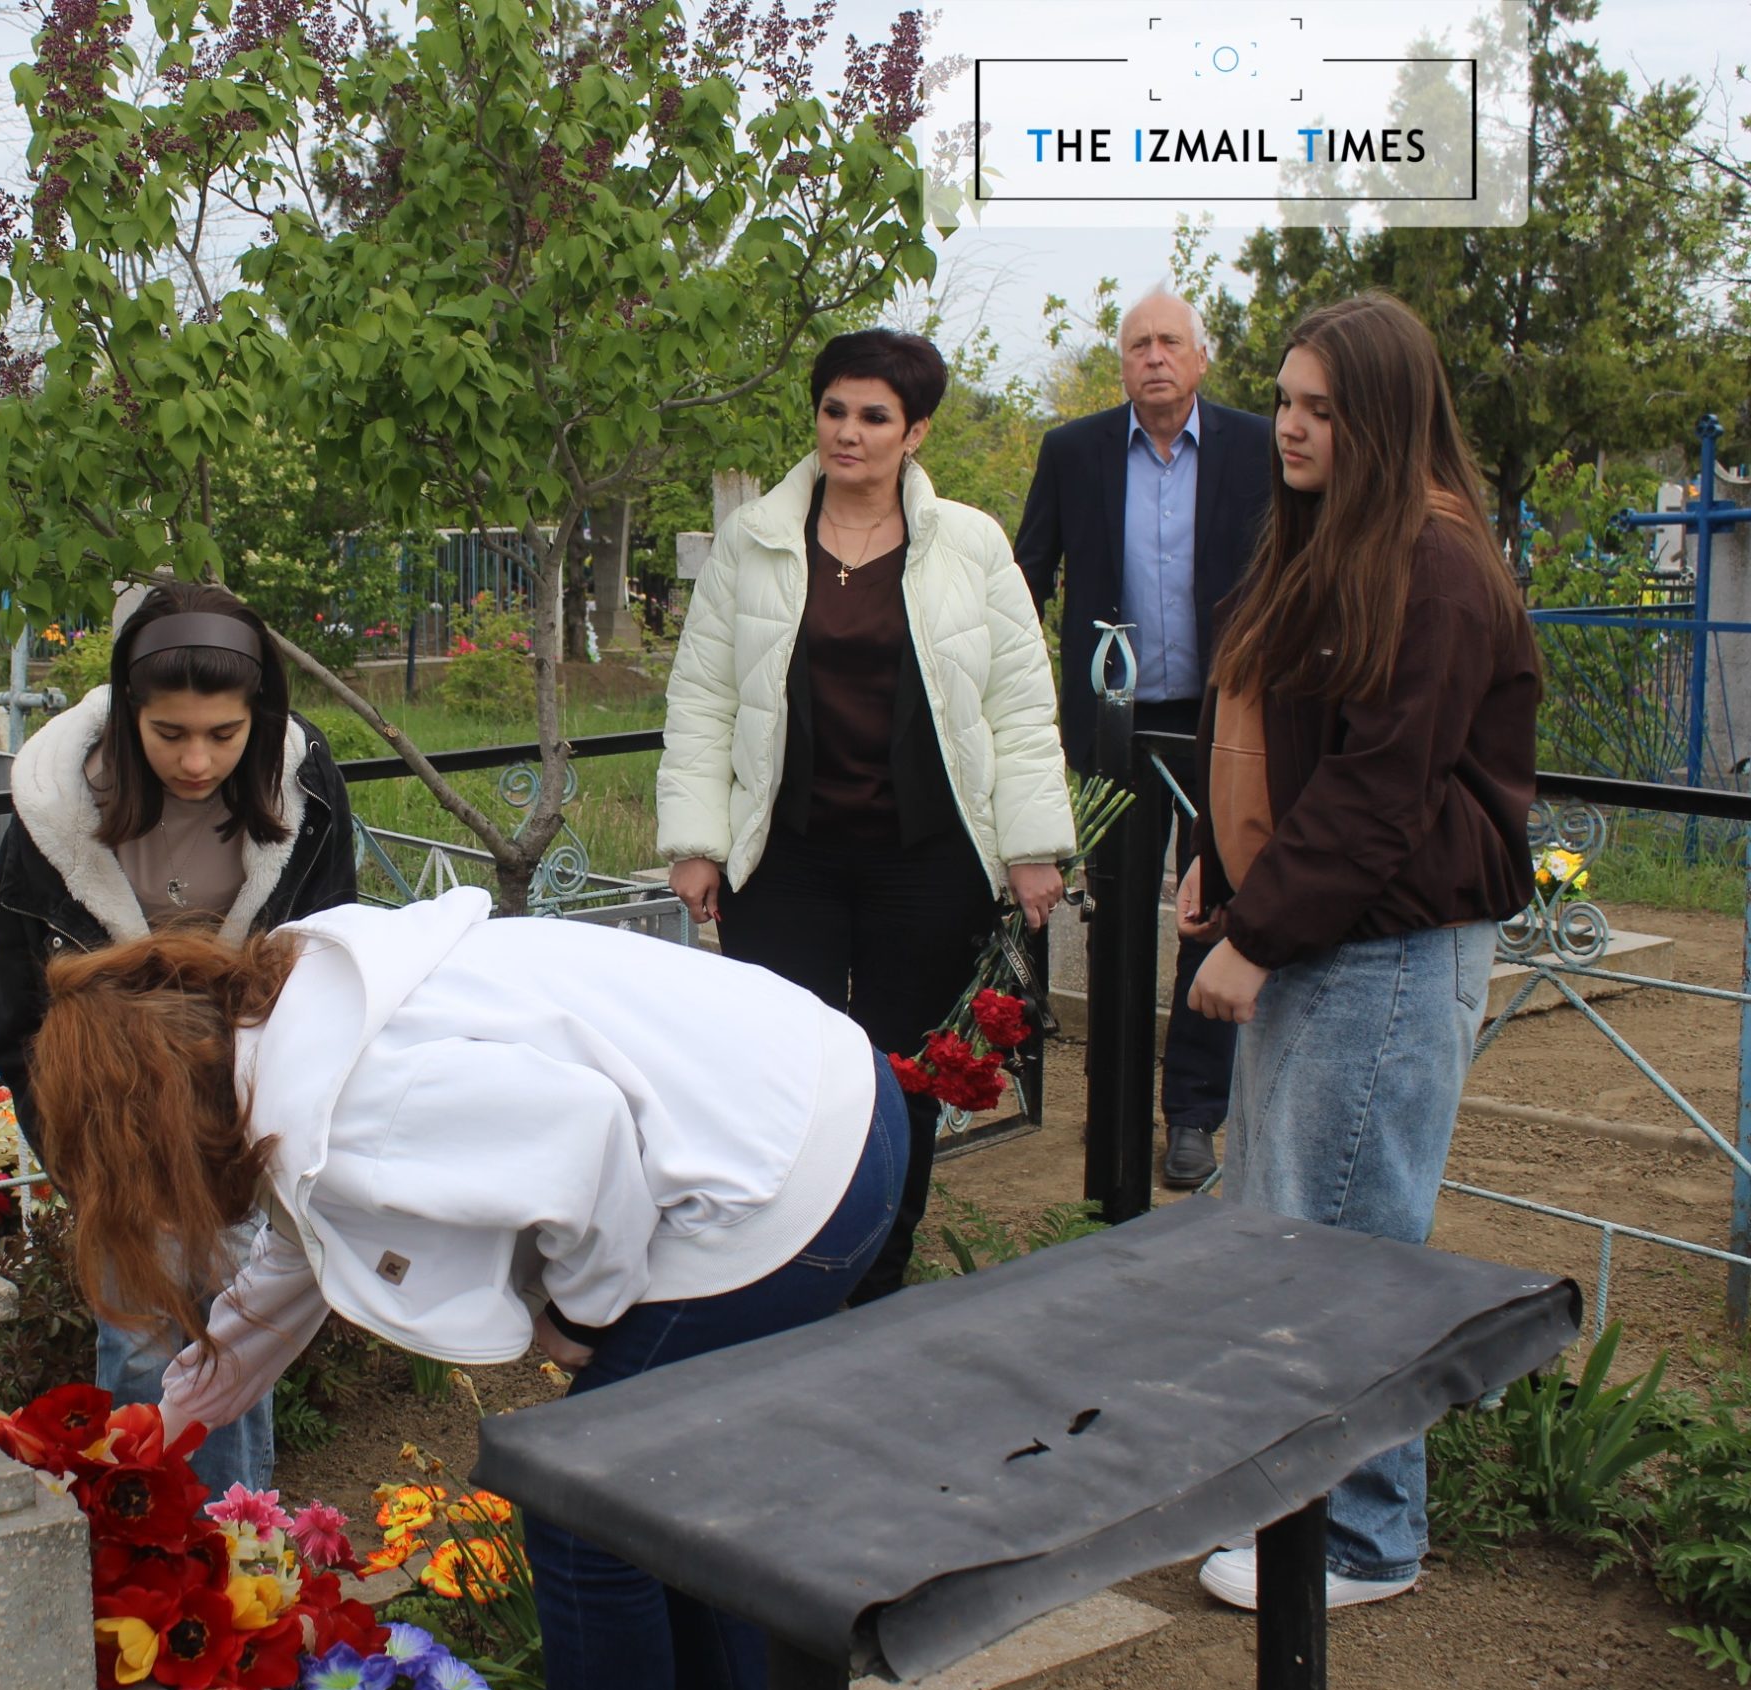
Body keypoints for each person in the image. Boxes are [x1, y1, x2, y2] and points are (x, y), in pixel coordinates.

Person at [29, 886, 911, 1690]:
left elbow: (587, 1134)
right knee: (669, 1495)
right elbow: (291, 1268)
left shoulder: (354, 1102)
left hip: (791, 1180)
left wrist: (582, 1313)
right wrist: (165, 1426)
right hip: (819, 1086)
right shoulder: (298, 1022)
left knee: (590, 1515)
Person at [1177, 291, 1539, 1611]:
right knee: (1286, 1229)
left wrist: (1258, 932)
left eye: (1322, 409)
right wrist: (1219, 865)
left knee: (1352, 1248)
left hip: (1384, 948)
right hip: (1324, 930)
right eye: (1284, 399)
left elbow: (1383, 788)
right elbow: (1272, 730)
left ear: (1385, 419)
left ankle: (1367, 1537)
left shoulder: (1433, 565)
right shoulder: (1334, 537)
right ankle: (1296, 1506)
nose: (1289, 426)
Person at [658, 328, 1074, 1303]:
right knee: (783, 1076)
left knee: (901, 1079)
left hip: (923, 865)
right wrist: (696, 842)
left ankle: (879, 1279)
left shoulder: (969, 545)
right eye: (833, 410)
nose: (848, 432)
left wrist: (1030, 847)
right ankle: (780, 1274)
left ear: (914, 431)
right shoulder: (754, 540)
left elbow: (1018, 706)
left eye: (874, 416)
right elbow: (703, 698)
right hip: (785, 860)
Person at [0, 581, 356, 1497]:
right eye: (169, 733)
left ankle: (232, 1544)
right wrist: (80, 1160)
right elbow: (20, 1015)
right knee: (144, 1340)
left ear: (260, 716)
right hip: (111, 1110)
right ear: (126, 713)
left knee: (237, 1330)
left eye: (224, 734)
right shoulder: (53, 808)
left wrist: (298, 1124)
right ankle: (151, 1542)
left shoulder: (304, 790)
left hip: (248, 1103)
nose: (197, 760)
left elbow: (338, 962)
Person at [1015, 287, 1273, 1189]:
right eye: (1138, 345)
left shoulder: (1255, 447)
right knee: (1117, 911)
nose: (1154, 357)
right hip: (1113, 726)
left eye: (1170, 342)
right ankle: (1113, 1099)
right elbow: (1027, 578)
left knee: (1211, 909)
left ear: (1200, 357)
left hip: (1223, 725)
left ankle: (1193, 1114)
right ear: (1121, 364)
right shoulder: (1074, 451)